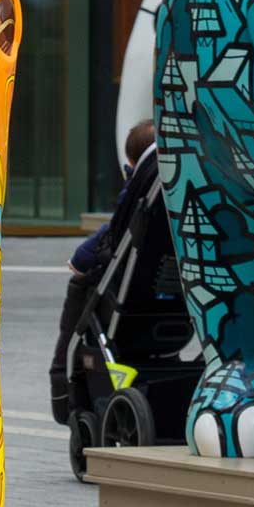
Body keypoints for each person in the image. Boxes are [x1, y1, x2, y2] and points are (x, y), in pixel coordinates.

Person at [51, 121, 160, 422]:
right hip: (168, 286)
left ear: (130, 162)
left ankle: (63, 384)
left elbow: (114, 234)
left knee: (81, 287)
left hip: (130, 291)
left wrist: (83, 260)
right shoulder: (164, 184)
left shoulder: (141, 188)